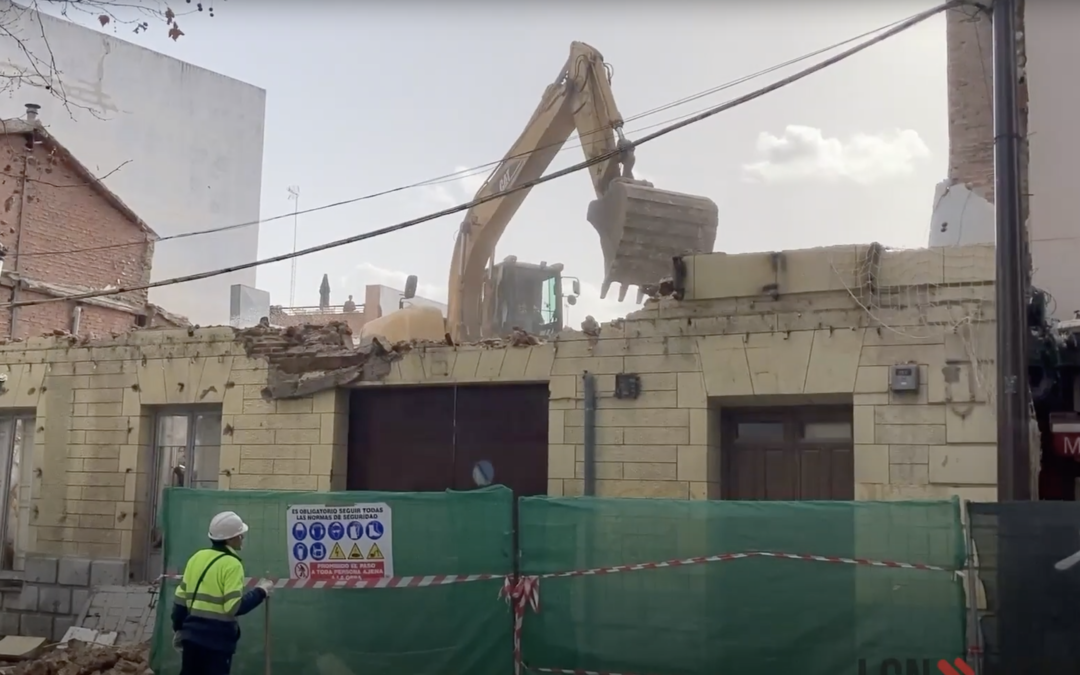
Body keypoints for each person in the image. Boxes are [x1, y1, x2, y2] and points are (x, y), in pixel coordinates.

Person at [172, 511, 275, 675]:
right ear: (230, 539)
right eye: (240, 535)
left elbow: (180, 600)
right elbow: (234, 607)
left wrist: (179, 629)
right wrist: (261, 591)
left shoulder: (196, 557)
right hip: (217, 643)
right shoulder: (232, 565)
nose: (242, 538)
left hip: (191, 638)